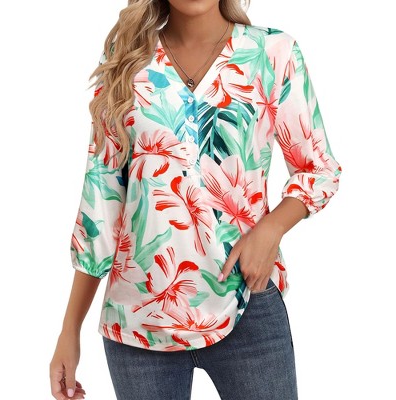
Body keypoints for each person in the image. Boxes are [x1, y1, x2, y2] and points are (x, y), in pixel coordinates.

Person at [49, 0, 342, 399]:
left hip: (246, 302)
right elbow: (101, 198)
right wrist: (70, 329)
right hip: (140, 319)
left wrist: (270, 230)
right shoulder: (126, 59)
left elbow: (319, 168)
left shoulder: (272, 53)